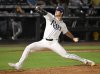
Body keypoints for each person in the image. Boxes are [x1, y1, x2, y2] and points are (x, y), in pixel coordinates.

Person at [8, 6, 95, 70]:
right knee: (28, 47)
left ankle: (85, 61)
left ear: (61, 13)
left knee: (66, 55)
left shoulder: (62, 24)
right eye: (56, 10)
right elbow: (44, 12)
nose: (56, 11)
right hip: (43, 42)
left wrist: (73, 38)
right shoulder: (50, 17)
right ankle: (18, 65)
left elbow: (67, 32)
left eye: (58, 10)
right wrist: (39, 9)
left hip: (54, 43)